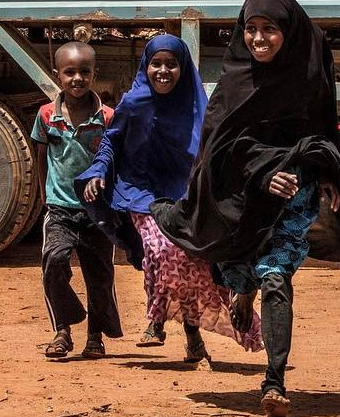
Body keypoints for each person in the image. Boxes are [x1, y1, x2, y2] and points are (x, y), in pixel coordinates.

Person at [153, 0, 340, 417]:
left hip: (294, 197)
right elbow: (219, 151)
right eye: (250, 29)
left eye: (269, 29)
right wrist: (265, 172)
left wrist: (330, 169)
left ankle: (274, 380)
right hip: (243, 200)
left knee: (276, 277)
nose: (258, 39)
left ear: (288, 32)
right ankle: (243, 289)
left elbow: (319, 131)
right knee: (240, 270)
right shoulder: (235, 81)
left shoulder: (310, 72)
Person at [78, 34, 262, 364]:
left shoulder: (197, 106)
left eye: (171, 64)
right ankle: (157, 317)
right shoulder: (133, 103)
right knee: (162, 249)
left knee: (190, 264)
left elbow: (217, 148)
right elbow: (111, 143)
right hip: (140, 191)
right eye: (156, 64)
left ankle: (190, 334)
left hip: (184, 192)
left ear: (183, 68)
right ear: (145, 66)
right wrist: (98, 171)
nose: (163, 71)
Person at [32, 41, 122, 360]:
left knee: (99, 275)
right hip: (60, 209)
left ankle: (95, 337)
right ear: (58, 75)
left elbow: (116, 161)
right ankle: (63, 330)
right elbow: (41, 156)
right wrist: (44, 194)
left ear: (94, 74)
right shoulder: (46, 116)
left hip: (97, 211)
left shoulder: (108, 117)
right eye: (70, 72)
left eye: (85, 71)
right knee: (54, 262)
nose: (77, 78)